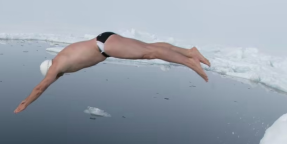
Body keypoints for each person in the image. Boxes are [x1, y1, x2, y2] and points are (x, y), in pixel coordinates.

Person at [14, 32, 211, 113]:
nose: (56, 77)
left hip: (105, 45)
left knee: (149, 53)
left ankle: (189, 62)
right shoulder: (60, 62)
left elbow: (40, 88)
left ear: (49, 69)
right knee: (149, 47)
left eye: (53, 76)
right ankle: (189, 52)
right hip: (105, 43)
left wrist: (24, 104)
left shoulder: (56, 66)